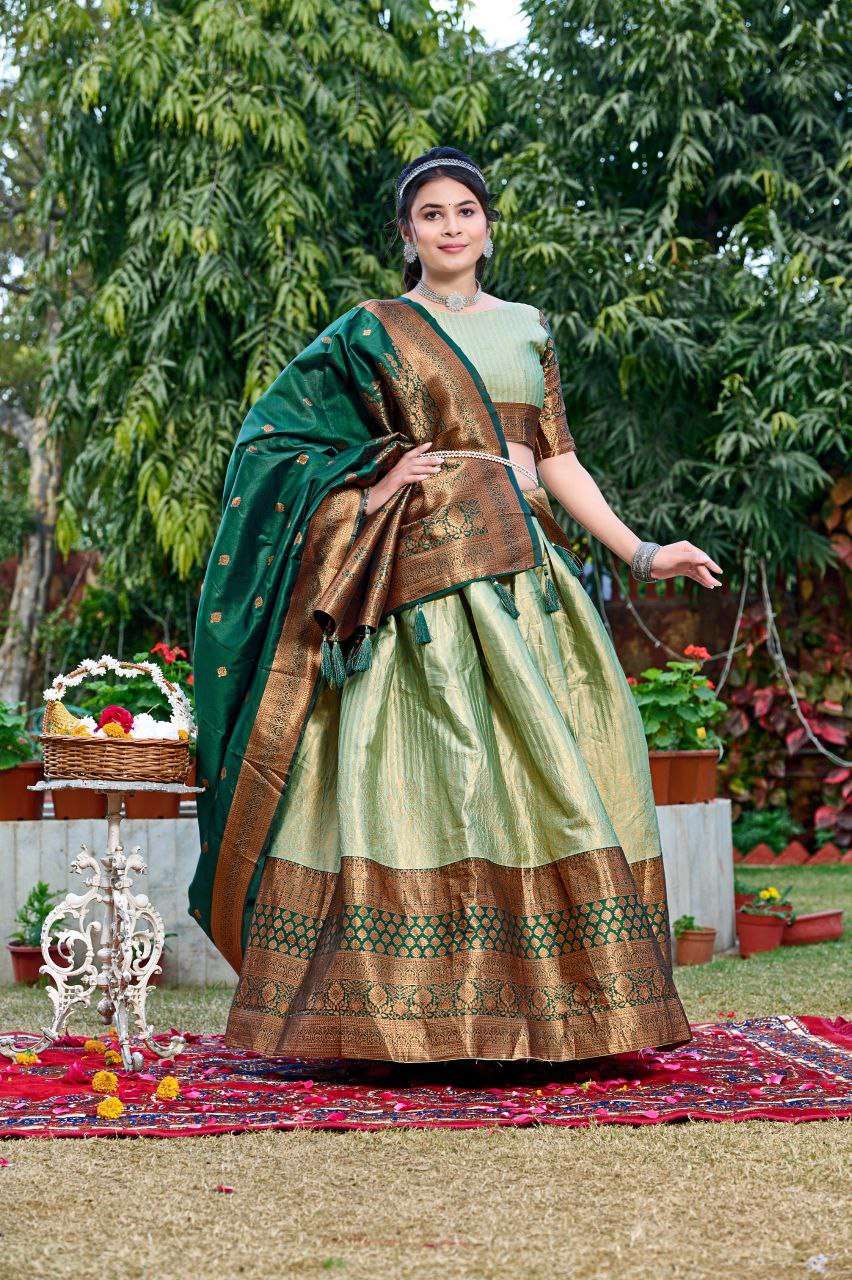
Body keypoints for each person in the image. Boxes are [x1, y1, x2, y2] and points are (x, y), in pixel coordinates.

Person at [188, 146, 722, 1065]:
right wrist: (371, 478)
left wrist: (640, 550)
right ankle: (397, 1017)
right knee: (419, 777)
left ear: (488, 226)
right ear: (408, 233)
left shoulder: (527, 328)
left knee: (554, 774)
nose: (450, 227)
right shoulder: (372, 330)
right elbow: (273, 440)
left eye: (465, 211)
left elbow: (557, 458)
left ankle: (568, 1011)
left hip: (529, 582)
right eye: (431, 214)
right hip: (420, 588)